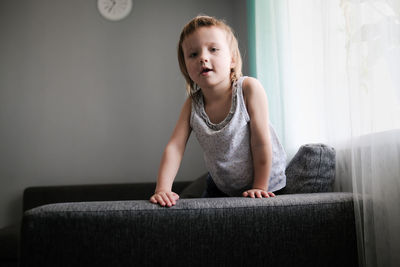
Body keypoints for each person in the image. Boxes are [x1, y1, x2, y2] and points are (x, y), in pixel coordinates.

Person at [150, 15, 286, 207]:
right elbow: (175, 147)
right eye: (193, 54)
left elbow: (261, 143)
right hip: (223, 185)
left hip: (267, 183)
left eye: (213, 49)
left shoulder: (248, 89)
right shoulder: (192, 104)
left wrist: (260, 187)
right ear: (186, 67)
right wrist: (162, 188)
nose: (203, 58)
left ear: (231, 59)